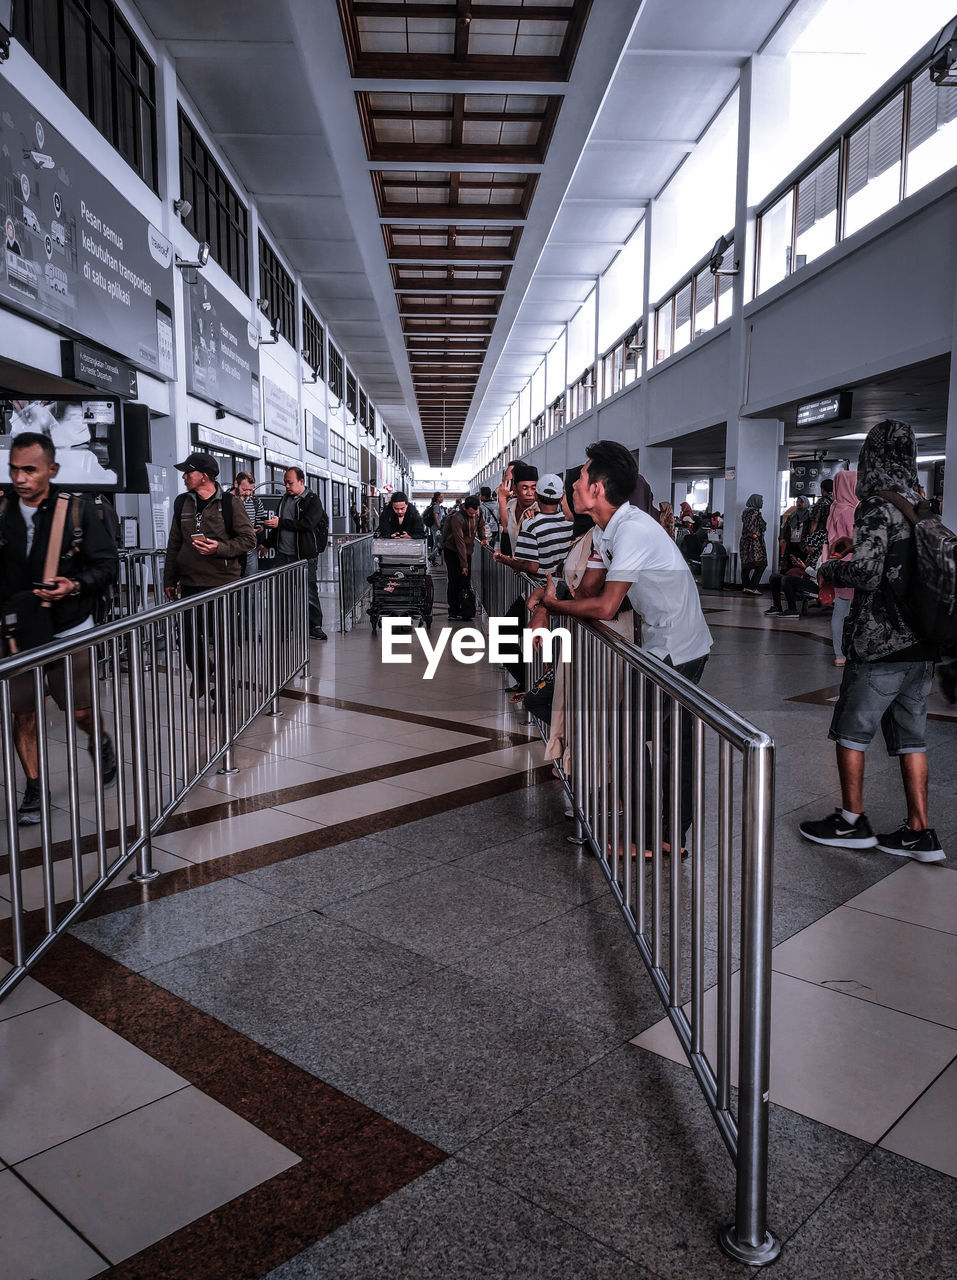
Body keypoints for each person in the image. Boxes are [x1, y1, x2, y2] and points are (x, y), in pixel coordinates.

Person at [541, 441, 713, 857]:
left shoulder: (633, 529)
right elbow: (588, 588)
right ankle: (669, 835)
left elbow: (603, 606)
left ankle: (653, 835)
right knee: (665, 740)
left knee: (629, 731)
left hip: (679, 647)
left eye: (581, 477)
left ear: (598, 488)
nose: (574, 484)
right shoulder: (606, 528)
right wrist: (560, 594)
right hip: (664, 643)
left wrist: (551, 604)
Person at [800, 420, 943, 863]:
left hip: (881, 643)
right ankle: (919, 832)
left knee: (852, 731)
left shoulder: (876, 505)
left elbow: (866, 573)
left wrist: (826, 570)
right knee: (912, 737)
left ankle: (851, 821)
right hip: (923, 643)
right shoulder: (922, 505)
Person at [1, 432, 120, 823]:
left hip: (70, 629)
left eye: (30, 470)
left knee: (80, 712)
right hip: (20, 633)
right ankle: (34, 786)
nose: (20, 478)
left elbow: (107, 566)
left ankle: (98, 740)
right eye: (14, 469)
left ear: (51, 470)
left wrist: (75, 584)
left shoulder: (78, 511)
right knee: (24, 715)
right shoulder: (2, 513)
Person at [164, 452, 257, 695]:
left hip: (222, 584)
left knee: (224, 640)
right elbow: (174, 543)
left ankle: (224, 687)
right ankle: (203, 672)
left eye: (189, 472)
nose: (184, 476)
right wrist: (169, 579)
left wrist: (220, 548)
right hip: (190, 583)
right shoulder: (182, 502)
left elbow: (248, 539)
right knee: (186, 639)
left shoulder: (230, 504)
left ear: (204, 476)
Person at [262, 467, 329, 640]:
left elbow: (307, 524)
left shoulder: (313, 501)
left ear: (301, 482)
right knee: (281, 593)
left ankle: (315, 626)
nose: (287, 486)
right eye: (285, 482)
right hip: (283, 555)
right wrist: (267, 544)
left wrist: (282, 523)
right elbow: (277, 528)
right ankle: (283, 629)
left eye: (290, 482)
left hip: (304, 555)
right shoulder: (284, 500)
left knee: (309, 592)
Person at [825, 470, 858, 667]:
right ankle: (847, 651)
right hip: (851, 566)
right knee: (851, 611)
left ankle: (839, 654)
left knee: (840, 609)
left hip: (837, 565)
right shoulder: (850, 511)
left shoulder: (834, 508)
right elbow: (857, 540)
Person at [442, 494, 487, 619]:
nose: (473, 515)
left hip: (467, 551)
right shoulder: (457, 518)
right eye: (471, 513)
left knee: (465, 581)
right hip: (452, 550)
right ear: (465, 508)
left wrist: (483, 538)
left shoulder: (479, 512)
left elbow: (481, 525)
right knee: (454, 580)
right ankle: (453, 610)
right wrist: (464, 565)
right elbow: (459, 542)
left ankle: (465, 609)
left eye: (475, 513)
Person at [230, 471, 267, 577]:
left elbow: (260, 520)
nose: (247, 493)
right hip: (232, 549)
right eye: (244, 489)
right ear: (236, 484)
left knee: (251, 582)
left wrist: (259, 528)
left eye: (251, 490)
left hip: (250, 549)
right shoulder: (225, 500)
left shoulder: (255, 500)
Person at [739, 494, 767, 594]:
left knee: (746, 565)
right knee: (761, 564)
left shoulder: (746, 512)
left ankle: (746, 586)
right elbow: (752, 527)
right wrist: (755, 534)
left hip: (745, 542)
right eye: (761, 500)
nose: (762, 502)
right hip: (754, 543)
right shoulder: (754, 512)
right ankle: (752, 587)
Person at [421, 491, 445, 561]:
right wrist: (439, 527)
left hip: (434, 527)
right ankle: (432, 556)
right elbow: (436, 517)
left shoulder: (433, 505)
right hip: (436, 527)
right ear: (437, 498)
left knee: (437, 542)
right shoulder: (436, 506)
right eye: (441, 497)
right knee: (438, 543)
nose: (442, 499)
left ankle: (432, 557)